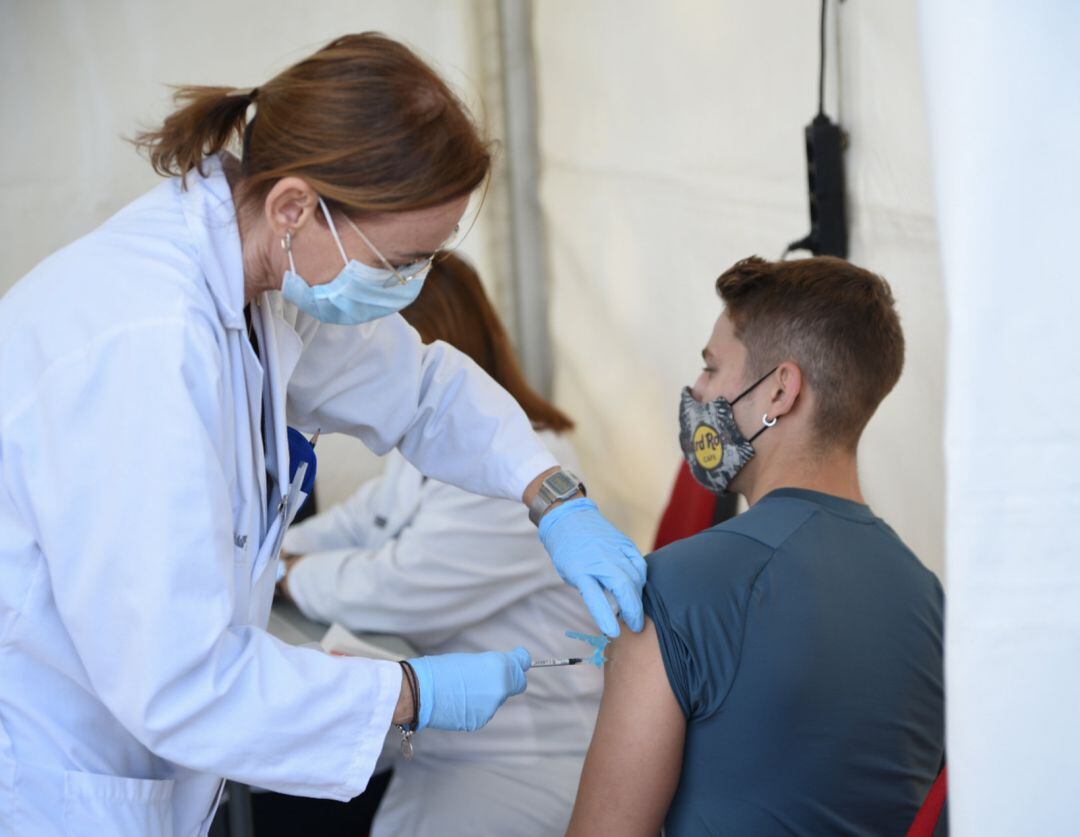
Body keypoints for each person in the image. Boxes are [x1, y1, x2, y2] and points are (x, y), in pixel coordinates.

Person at [0, 33, 645, 836]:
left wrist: (552, 499)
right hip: (54, 781)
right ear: (295, 206)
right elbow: (182, 683)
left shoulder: (269, 285)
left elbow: (421, 389)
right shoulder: (145, 345)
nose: (411, 286)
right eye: (401, 259)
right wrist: (413, 692)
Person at [567, 256, 945, 836]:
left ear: (780, 390)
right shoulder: (930, 601)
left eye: (713, 368)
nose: (698, 390)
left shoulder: (673, 584)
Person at [277, 253, 602, 836]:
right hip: (445, 736)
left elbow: (394, 586)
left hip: (520, 755)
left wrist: (285, 574)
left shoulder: (519, 473)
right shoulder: (433, 456)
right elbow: (359, 525)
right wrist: (271, 554)